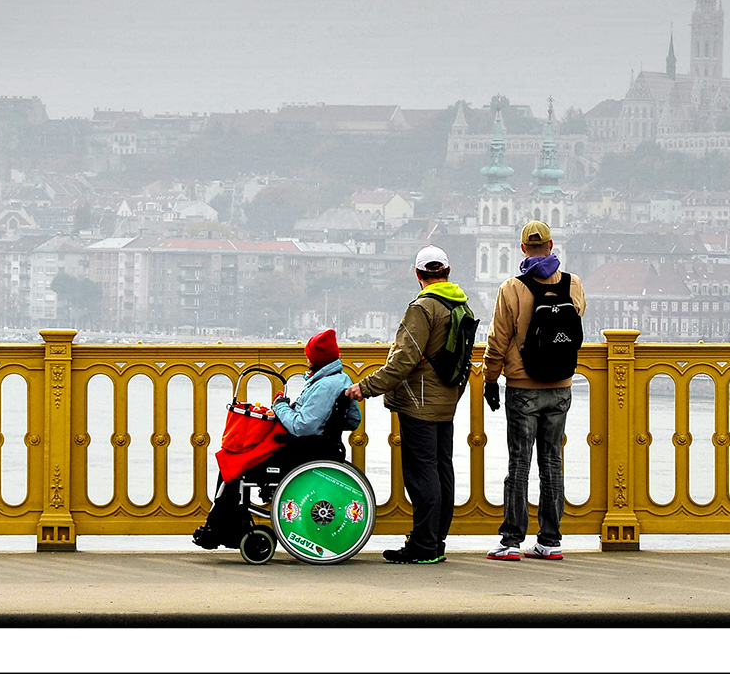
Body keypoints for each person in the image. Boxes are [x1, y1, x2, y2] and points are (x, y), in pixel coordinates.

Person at [345, 245, 469, 564]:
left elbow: (404, 361)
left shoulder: (423, 308)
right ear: (447, 272)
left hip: (419, 402)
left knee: (422, 473)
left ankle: (423, 546)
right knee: (443, 470)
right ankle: (436, 541)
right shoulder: (461, 306)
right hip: (447, 400)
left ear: (418, 274)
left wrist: (366, 387)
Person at [193, 329, 361, 550]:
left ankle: (223, 528)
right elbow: (353, 420)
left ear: (315, 358)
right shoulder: (341, 379)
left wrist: (281, 405)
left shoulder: (324, 385)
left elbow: (302, 426)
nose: (307, 359)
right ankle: (225, 526)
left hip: (305, 450)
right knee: (233, 458)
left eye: (308, 355)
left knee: (233, 459)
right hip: (321, 446)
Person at [481, 220, 585, 561]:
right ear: (551, 245)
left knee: (520, 462)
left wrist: (490, 379)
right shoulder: (574, 285)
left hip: (523, 386)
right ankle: (550, 541)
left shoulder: (512, 288)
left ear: (522, 248)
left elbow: (498, 340)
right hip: (562, 386)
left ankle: (511, 540)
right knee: (552, 462)